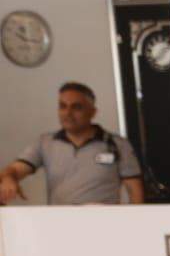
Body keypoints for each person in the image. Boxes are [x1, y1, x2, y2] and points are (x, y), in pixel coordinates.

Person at [0, 82, 144, 205]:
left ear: (93, 112)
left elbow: (135, 190)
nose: (68, 113)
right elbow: (14, 170)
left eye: (76, 107)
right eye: (62, 106)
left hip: (104, 222)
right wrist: (8, 179)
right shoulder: (45, 143)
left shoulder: (118, 144)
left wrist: (135, 222)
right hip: (59, 222)